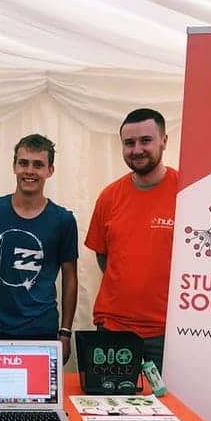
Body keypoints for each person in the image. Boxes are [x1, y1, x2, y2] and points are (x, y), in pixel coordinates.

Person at [0, 134, 78, 364]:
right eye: (23, 162)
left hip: (42, 328)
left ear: (50, 170)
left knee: (42, 399)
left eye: (38, 164)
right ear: (14, 166)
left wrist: (65, 332)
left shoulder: (63, 220)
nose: (29, 170)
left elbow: (70, 276)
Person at [85, 108, 177, 373]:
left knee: (163, 410)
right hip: (112, 329)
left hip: (166, 333)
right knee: (107, 409)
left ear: (164, 141)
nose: (137, 149)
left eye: (145, 140)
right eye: (129, 143)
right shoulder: (109, 196)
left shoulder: (186, 192)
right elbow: (103, 255)